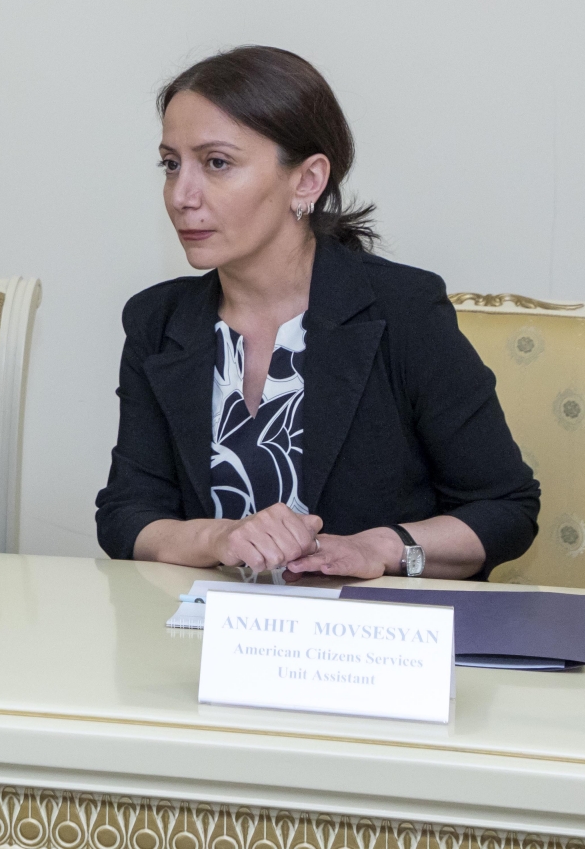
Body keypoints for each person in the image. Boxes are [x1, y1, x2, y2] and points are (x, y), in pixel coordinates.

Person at [96, 46, 538, 580]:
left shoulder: (404, 309)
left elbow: (506, 508)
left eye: (217, 163)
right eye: (171, 164)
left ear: (307, 180)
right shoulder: (158, 321)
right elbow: (127, 514)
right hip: (210, 625)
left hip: (367, 626)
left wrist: (382, 548)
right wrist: (217, 537)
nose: (181, 196)